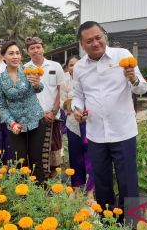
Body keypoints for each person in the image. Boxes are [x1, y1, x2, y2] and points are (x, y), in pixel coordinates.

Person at [72, 21, 147, 216]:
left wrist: (133, 79)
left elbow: (142, 88)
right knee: (102, 183)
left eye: (99, 37)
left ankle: (132, 222)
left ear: (104, 36)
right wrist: (77, 110)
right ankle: (108, 223)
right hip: (96, 134)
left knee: (128, 183)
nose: (96, 43)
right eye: (89, 41)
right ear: (82, 45)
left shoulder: (123, 55)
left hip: (123, 131)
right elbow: (79, 95)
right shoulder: (79, 68)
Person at [0, 41, 46, 183]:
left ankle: (41, 192)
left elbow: (39, 88)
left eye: (17, 53)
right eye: (11, 53)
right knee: (20, 161)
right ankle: (23, 195)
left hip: (36, 120)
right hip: (16, 126)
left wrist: (36, 83)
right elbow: (1, 106)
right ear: (3, 56)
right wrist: (12, 123)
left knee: (36, 159)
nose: (15, 56)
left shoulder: (28, 71)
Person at [24, 37, 66, 177]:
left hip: (53, 117)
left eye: (38, 47)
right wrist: (40, 113)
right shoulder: (24, 69)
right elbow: (24, 95)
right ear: (27, 51)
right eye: (32, 48)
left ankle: (53, 183)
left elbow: (61, 90)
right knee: (36, 153)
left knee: (54, 151)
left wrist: (54, 112)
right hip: (34, 118)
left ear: (43, 48)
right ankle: (40, 182)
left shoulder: (55, 66)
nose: (36, 50)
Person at [60, 55, 95, 202]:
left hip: (90, 123)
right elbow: (61, 100)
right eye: (71, 65)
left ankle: (91, 192)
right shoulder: (65, 82)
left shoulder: (90, 79)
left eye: (77, 64)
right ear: (67, 68)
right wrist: (66, 107)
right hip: (73, 124)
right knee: (75, 157)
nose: (74, 67)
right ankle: (76, 189)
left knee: (90, 158)